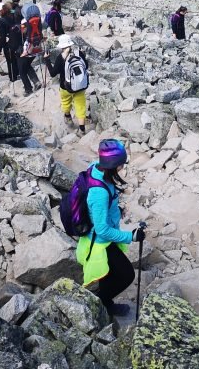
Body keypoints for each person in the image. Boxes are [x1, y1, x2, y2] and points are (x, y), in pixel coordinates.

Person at [76, 139, 145, 317]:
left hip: (101, 235)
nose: (123, 166)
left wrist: (116, 209)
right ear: (113, 165)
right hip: (100, 242)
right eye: (121, 164)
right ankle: (100, 303)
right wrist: (131, 236)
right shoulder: (99, 193)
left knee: (109, 272)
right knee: (126, 275)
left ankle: (106, 304)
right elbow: (102, 230)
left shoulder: (96, 167)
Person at [48, 34, 89, 133]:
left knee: (65, 102)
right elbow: (86, 66)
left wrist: (47, 60)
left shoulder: (60, 58)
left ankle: (68, 117)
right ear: (70, 44)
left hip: (66, 87)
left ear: (61, 46)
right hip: (80, 85)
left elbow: (53, 74)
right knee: (80, 105)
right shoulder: (78, 53)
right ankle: (82, 129)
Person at [15, 18, 42, 96]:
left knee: (22, 71)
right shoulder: (35, 30)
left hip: (27, 53)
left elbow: (28, 45)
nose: (21, 28)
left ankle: (28, 89)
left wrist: (24, 52)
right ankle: (36, 82)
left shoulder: (28, 34)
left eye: (22, 27)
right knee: (27, 66)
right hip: (34, 53)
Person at [0, 3, 19, 83]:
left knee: (10, 62)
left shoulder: (0, 21)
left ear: (2, 10)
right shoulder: (14, 15)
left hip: (8, 44)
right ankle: (18, 74)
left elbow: (2, 37)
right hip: (17, 41)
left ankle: (13, 79)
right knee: (16, 59)